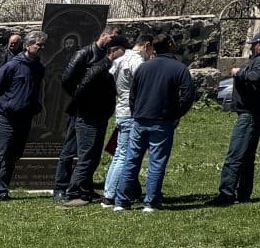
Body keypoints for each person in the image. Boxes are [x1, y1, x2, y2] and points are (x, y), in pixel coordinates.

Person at [112, 31, 195, 213]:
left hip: (140, 119)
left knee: (131, 160)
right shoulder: (179, 68)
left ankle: (121, 201)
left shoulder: (144, 67)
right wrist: (176, 114)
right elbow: (187, 95)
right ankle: (150, 202)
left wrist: (136, 112)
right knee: (156, 161)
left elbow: (133, 95)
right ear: (170, 45)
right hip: (162, 120)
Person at [53, 31, 125, 207]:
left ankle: (85, 187)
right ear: (104, 35)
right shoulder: (84, 54)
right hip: (82, 109)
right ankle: (62, 188)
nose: (113, 41)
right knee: (71, 151)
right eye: (112, 37)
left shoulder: (105, 55)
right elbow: (67, 79)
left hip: (96, 110)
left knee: (91, 152)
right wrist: (81, 97)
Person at [0, 30, 46, 204]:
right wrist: (5, 105)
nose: (41, 47)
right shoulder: (12, 66)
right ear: (28, 45)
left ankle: (1, 189)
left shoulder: (38, 68)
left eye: (43, 45)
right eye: (38, 44)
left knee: (13, 155)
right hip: (7, 116)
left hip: (25, 117)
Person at [211, 31, 260, 206]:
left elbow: (254, 77)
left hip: (251, 114)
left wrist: (238, 72)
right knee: (247, 155)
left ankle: (226, 193)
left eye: (253, 45)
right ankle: (243, 193)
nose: (251, 48)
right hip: (253, 112)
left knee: (235, 154)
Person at [100, 32, 151, 210]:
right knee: (124, 155)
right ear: (146, 46)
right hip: (130, 111)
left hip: (121, 108)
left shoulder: (120, 59)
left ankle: (110, 192)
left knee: (120, 154)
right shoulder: (137, 61)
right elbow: (143, 84)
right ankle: (111, 195)